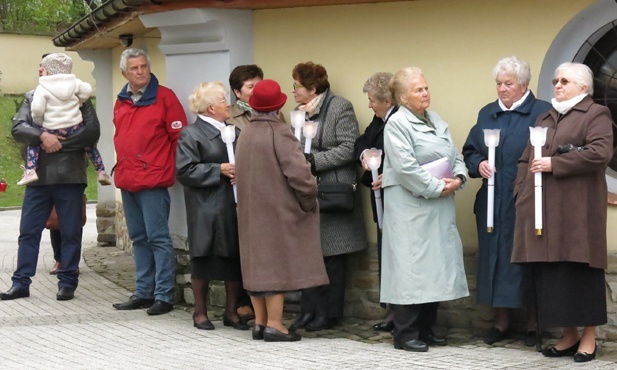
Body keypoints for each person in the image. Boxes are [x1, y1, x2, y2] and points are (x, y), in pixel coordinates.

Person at [512, 62, 613, 363]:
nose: (557, 85)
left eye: (564, 81)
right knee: (553, 276)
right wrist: (521, 191)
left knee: (581, 272)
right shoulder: (546, 117)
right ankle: (568, 335)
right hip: (544, 211)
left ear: (583, 88)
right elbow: (526, 158)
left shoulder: (596, 114)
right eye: (555, 80)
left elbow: (600, 153)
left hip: (578, 213)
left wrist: (556, 165)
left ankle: (589, 338)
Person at [462, 56, 551, 346]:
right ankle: (501, 322)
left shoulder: (541, 113)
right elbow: (470, 150)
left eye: (508, 84)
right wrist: (478, 165)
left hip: (526, 199)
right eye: (499, 84)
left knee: (528, 258)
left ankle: (533, 322)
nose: (502, 89)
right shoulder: (487, 113)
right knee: (494, 260)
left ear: (523, 84)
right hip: (492, 200)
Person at [380, 66, 469, 352]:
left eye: (426, 87)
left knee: (434, 267)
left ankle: (427, 329)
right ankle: (405, 333)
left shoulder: (436, 119)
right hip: (411, 207)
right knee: (410, 268)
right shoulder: (396, 124)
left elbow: (454, 155)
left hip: (438, 206)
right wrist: (436, 187)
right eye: (419, 89)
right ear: (404, 98)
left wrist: (458, 178)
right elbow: (405, 167)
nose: (426, 92)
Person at [0, 57, 100, 302]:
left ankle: (67, 283)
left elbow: (92, 131)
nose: (39, 70)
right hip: (38, 179)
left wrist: (57, 144)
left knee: (70, 232)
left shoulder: (80, 97)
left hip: (70, 177)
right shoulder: (32, 96)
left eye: (42, 67)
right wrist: (43, 136)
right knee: (28, 232)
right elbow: (18, 128)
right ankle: (21, 283)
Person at [235, 79, 329, 342]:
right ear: (278, 106)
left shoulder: (246, 134)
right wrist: (309, 201)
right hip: (278, 212)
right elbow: (300, 175)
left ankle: (261, 322)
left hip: (250, 213)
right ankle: (276, 324)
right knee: (275, 267)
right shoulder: (280, 132)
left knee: (255, 266)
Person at [289, 62, 368, 332]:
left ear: (312, 88)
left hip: (333, 192)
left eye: (297, 86)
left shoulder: (340, 107)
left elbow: (349, 148)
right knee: (308, 255)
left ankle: (329, 313)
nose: (293, 91)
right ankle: (308, 310)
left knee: (332, 258)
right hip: (306, 192)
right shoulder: (297, 113)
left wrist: (314, 162)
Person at [111, 48, 187, 316]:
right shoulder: (121, 100)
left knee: (158, 239)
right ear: (125, 73)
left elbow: (180, 138)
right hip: (127, 178)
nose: (141, 71)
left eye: (144, 66)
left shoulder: (165, 97)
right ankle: (143, 292)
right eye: (134, 68)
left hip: (153, 180)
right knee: (139, 238)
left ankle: (163, 296)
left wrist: (172, 168)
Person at [175, 81, 249, 331]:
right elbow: (184, 170)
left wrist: (243, 173)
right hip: (205, 206)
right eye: (222, 100)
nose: (227, 104)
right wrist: (217, 169)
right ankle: (200, 312)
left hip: (231, 202)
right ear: (210, 108)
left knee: (233, 258)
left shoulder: (232, 130)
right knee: (204, 259)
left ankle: (231, 312)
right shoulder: (191, 134)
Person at [18, 53, 111, 187]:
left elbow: (37, 109)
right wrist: (80, 100)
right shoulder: (75, 84)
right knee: (91, 147)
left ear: (49, 69)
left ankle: (31, 170)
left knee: (34, 144)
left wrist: (40, 126)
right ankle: (101, 171)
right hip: (74, 126)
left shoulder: (42, 88)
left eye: (43, 67)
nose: (40, 70)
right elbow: (87, 91)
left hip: (52, 130)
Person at [353, 72, 398, 333]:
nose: (369, 105)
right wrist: (364, 154)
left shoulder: (400, 121)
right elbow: (363, 141)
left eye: (372, 100)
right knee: (385, 256)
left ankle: (399, 314)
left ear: (385, 100)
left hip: (396, 199)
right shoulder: (378, 121)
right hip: (379, 199)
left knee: (396, 257)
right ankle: (391, 312)